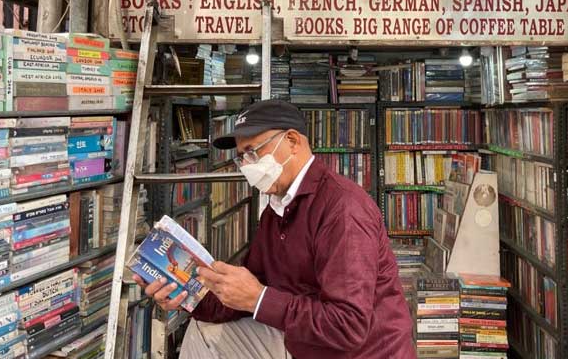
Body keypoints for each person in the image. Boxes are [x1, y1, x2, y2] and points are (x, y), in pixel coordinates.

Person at [135, 99, 416, 359]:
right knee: (203, 330)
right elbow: (241, 296)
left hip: (363, 352)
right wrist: (185, 295)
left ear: (292, 141)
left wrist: (259, 298)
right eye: (241, 158)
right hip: (305, 343)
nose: (246, 166)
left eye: (252, 152)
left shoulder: (342, 209)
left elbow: (348, 327)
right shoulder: (276, 210)